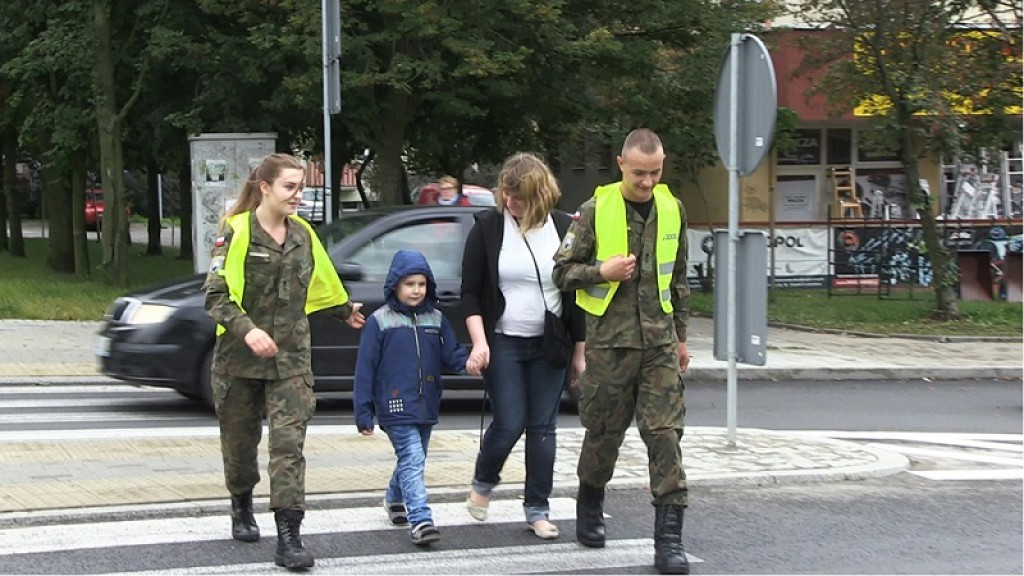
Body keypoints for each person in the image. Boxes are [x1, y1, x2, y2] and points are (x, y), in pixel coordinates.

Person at [203, 153, 366, 570]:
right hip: (238, 360)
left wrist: (345, 311)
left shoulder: (303, 234)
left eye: (301, 187)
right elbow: (215, 295)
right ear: (265, 188)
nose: (298, 195)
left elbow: (322, 280)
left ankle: (289, 536)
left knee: (288, 446)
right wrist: (248, 330)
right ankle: (241, 503)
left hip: (291, 359)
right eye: (290, 187)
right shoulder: (236, 230)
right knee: (240, 446)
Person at [552, 129, 691, 574]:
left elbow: (679, 278)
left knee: (665, 434)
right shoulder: (595, 210)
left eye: (655, 172)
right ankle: (590, 504)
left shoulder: (672, 209)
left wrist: (681, 336)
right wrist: (602, 271)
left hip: (659, 344)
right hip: (610, 345)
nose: (647, 182)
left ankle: (668, 540)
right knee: (604, 433)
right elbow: (561, 273)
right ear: (621, 165)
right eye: (639, 173)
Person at [461, 152, 586, 539]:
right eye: (507, 193)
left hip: (551, 344)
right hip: (503, 343)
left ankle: (537, 509)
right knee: (510, 421)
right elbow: (470, 293)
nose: (510, 202)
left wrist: (580, 353)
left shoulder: (564, 228)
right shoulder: (487, 228)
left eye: (519, 197)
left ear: (540, 195)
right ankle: (484, 480)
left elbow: (575, 295)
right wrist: (479, 343)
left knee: (543, 427)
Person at [354, 249, 469, 547]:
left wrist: (471, 362)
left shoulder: (436, 319)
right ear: (395, 285)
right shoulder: (379, 321)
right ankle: (421, 520)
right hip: (394, 404)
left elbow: (451, 354)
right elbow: (365, 369)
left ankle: (394, 498)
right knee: (413, 456)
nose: (416, 290)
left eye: (421, 284)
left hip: (426, 402)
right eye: (409, 284)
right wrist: (363, 411)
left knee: (413, 458)